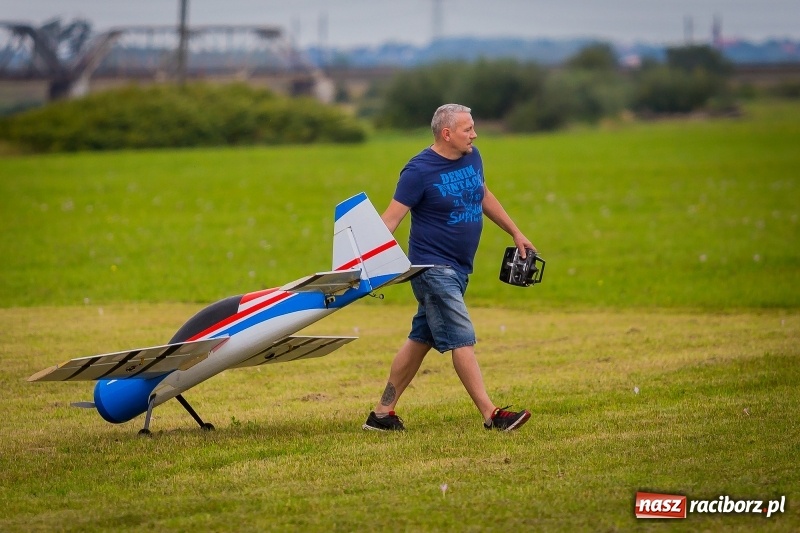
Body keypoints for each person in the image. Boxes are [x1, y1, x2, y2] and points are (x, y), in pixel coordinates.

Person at [362, 103, 537, 432]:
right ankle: (491, 414)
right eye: (468, 129)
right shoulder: (418, 171)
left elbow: (482, 194)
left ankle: (382, 414)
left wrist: (515, 231)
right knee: (462, 339)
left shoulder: (473, 157)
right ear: (447, 133)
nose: (475, 134)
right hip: (431, 268)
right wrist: (364, 260)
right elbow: (392, 218)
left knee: (420, 340)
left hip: (459, 267)